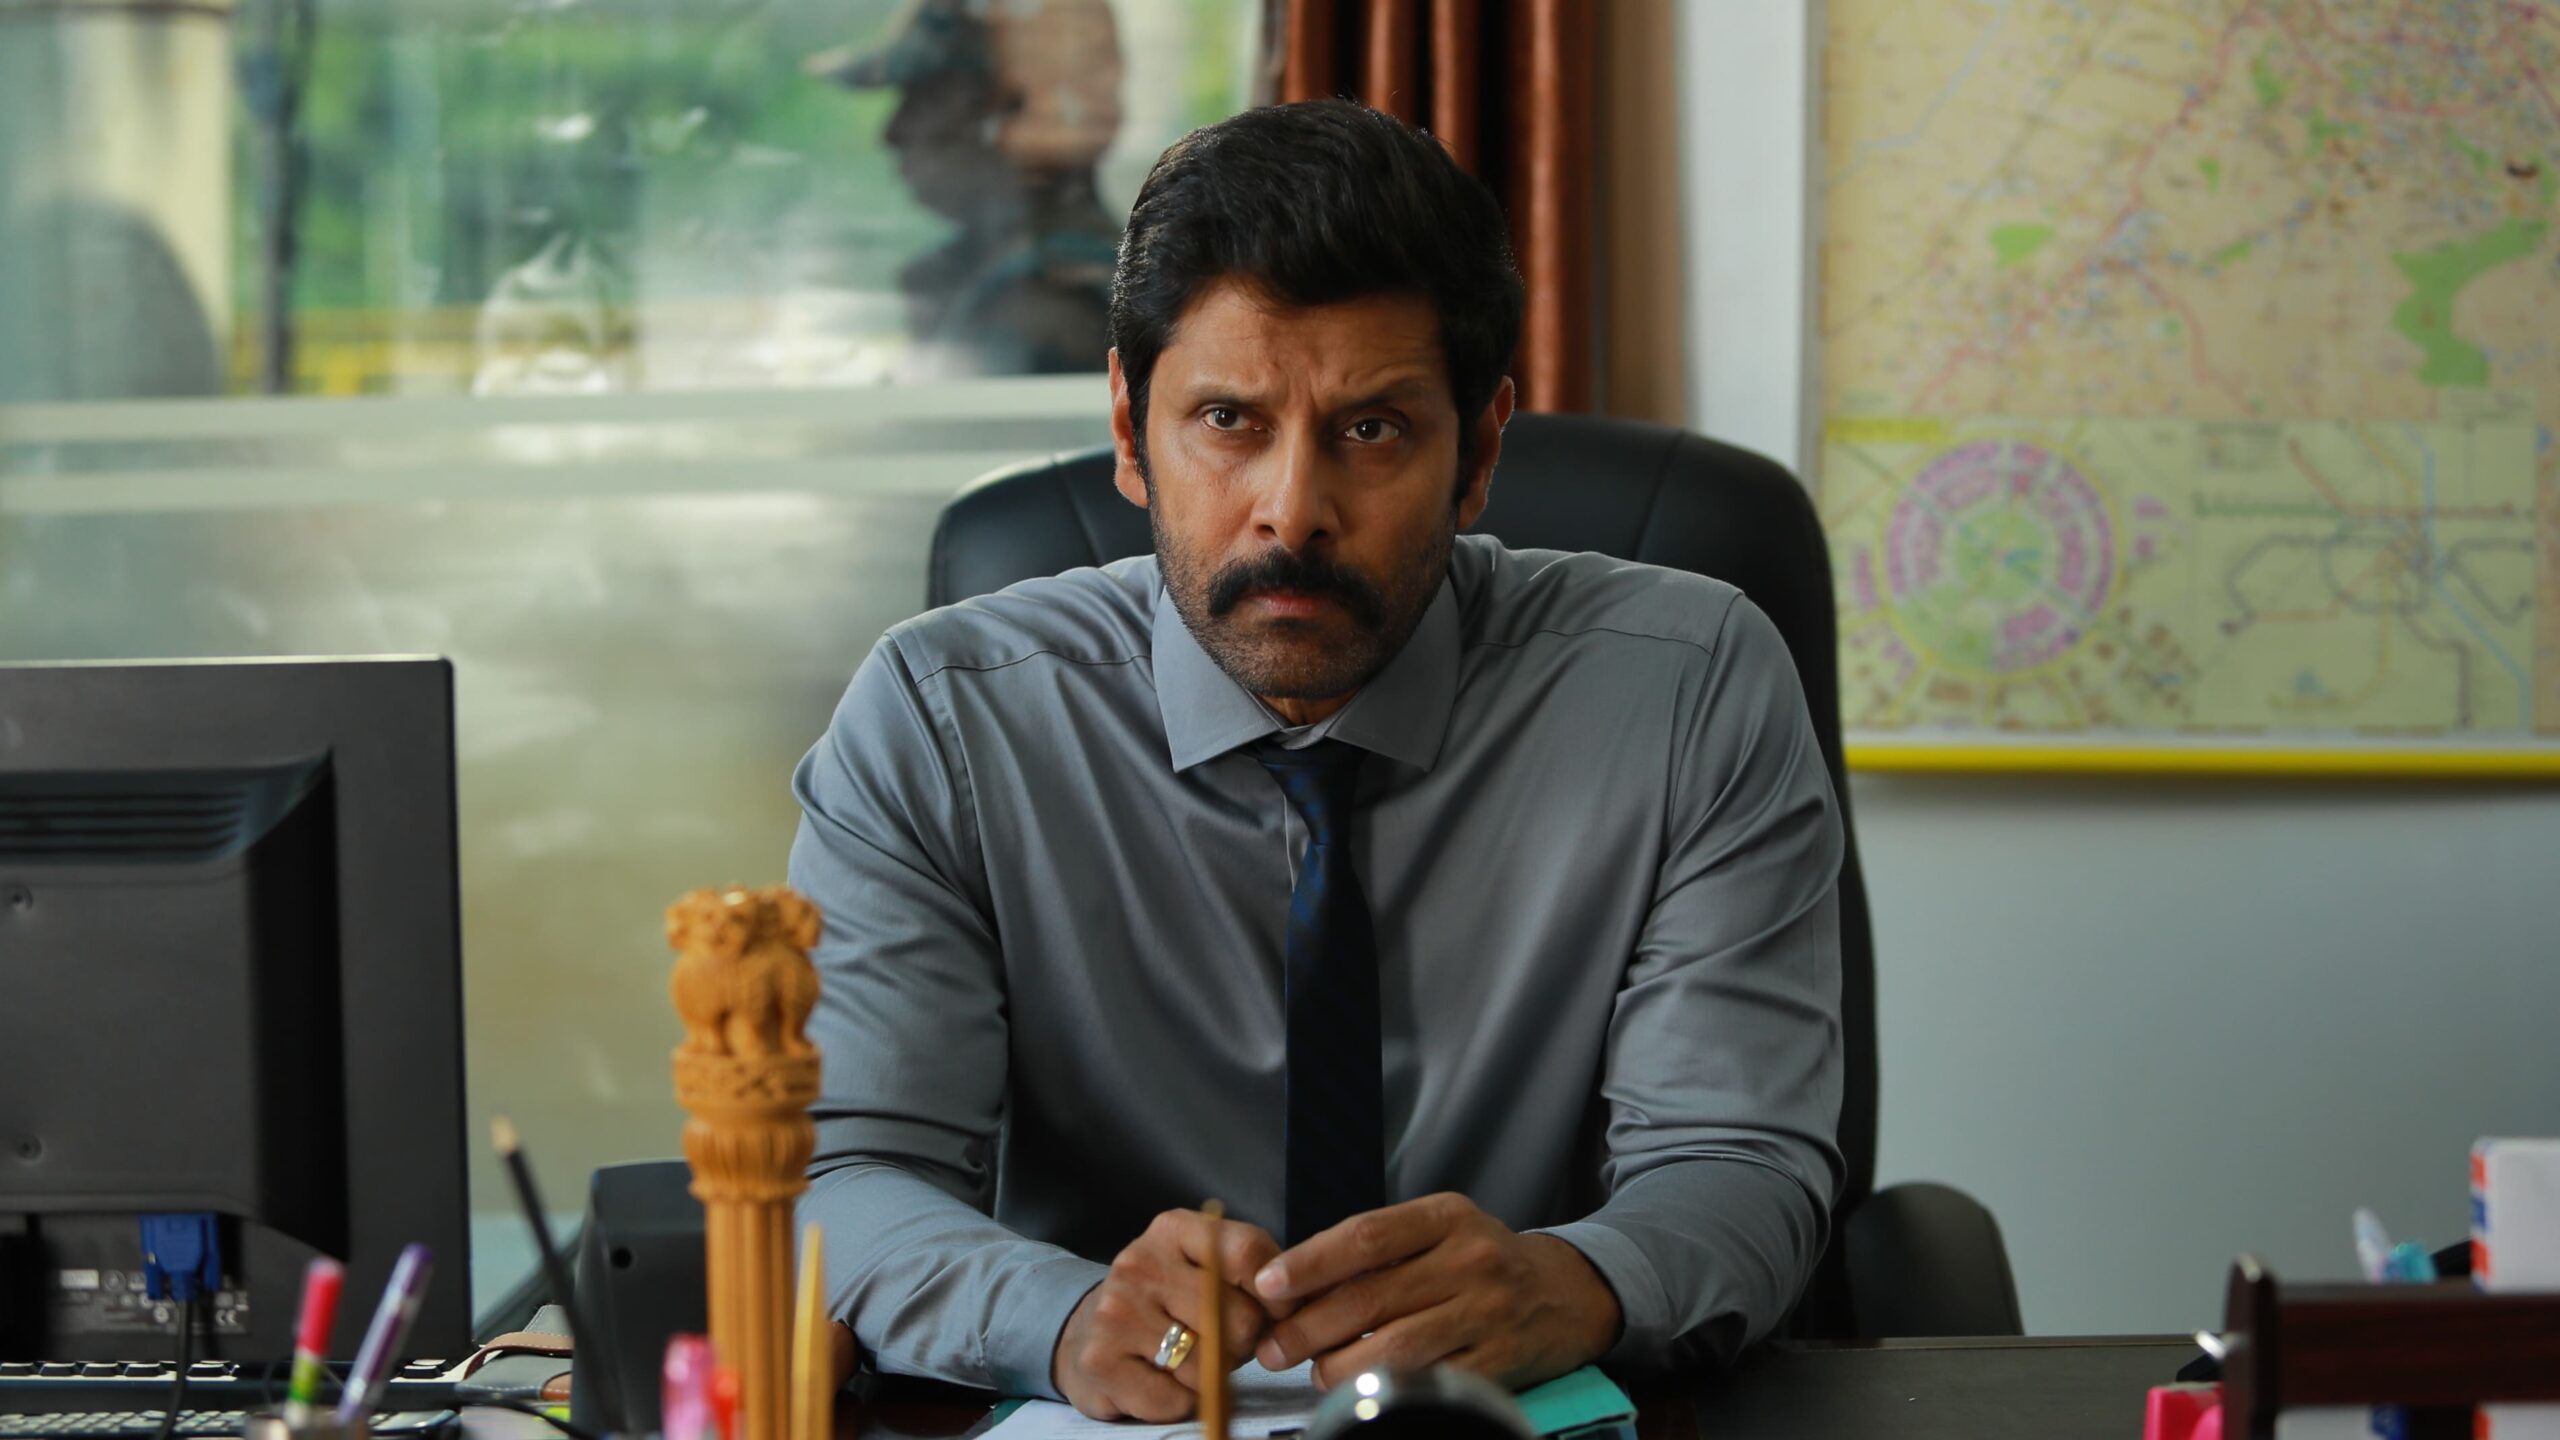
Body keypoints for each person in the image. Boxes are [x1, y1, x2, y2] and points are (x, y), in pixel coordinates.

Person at [788, 99, 1845, 1422]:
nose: (1292, 513)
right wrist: (1060, 1317)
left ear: (1480, 451)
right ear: (1128, 429)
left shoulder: (1689, 688)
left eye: (1372, 430)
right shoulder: (940, 720)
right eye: (1228, 421)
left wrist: (1575, 1281)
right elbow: (844, 1177)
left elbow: (1740, 1162)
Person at [804, 0, 1122, 377]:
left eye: (923, 98)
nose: (892, 132)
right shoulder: (980, 278)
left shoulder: (1043, 308)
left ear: (1007, 110)